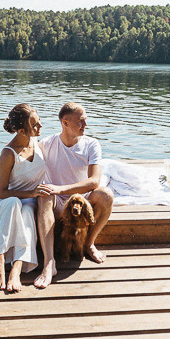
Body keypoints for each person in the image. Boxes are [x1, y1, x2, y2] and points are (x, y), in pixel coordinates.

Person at [34, 102, 114, 288]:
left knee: (106, 194)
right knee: (44, 195)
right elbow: (23, 153)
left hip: (81, 201)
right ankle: (48, 263)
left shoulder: (92, 144)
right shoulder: (46, 144)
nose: (85, 125)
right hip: (58, 203)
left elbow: (94, 181)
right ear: (65, 123)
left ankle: (89, 244)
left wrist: (60, 189)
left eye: (85, 121)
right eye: (80, 122)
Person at [0, 103, 48, 292]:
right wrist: (30, 193)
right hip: (6, 205)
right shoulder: (8, 154)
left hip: (29, 203)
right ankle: (0, 261)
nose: (40, 127)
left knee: (29, 211)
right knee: (15, 203)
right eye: (35, 125)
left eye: (39, 122)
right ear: (21, 130)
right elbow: (1, 192)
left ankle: (17, 267)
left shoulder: (37, 143)